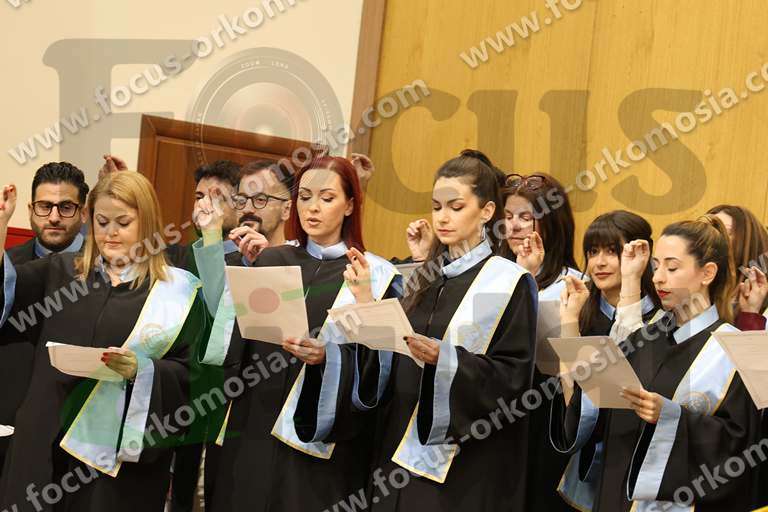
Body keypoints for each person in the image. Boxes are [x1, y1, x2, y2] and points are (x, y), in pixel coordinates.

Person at [292, 149, 538, 510]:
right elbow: (388, 358)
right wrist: (357, 317)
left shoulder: (507, 282)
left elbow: (513, 378)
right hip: (395, 442)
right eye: (437, 207)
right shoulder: (425, 277)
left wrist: (446, 359)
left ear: (486, 211)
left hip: (460, 463)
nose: (443, 217)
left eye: (456, 207)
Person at [193, 155, 399, 510]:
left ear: (350, 205)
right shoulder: (272, 260)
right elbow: (226, 339)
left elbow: (380, 376)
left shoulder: (373, 275)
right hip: (254, 424)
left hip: (321, 445)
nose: (312, 208)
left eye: (327, 198)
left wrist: (328, 356)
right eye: (305, 197)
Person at [0, 172, 208, 511]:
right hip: (41, 446)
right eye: (101, 221)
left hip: (114, 467)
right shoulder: (60, 272)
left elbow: (192, 376)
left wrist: (142, 370)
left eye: (123, 223)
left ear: (147, 223)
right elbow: (5, 298)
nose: (110, 232)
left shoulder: (175, 291)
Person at [551, 215, 761, 511]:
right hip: (614, 495)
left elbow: (743, 448)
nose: (658, 278)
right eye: (656, 266)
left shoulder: (739, 350)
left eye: (672, 268)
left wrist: (670, 416)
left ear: (707, 273)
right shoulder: (642, 338)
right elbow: (590, 413)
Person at [553, 211, 662, 510]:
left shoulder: (660, 319)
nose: (599, 262)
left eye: (612, 252)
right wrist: (569, 320)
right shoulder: (586, 311)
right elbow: (571, 398)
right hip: (587, 453)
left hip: (633, 456)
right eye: (592, 252)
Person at [0, 162, 90, 477]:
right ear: (30, 210)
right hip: (9, 422)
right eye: (44, 206)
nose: (53, 217)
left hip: (75, 426)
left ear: (83, 213)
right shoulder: (8, 263)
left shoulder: (103, 267)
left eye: (65, 207)